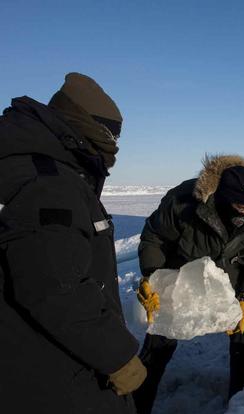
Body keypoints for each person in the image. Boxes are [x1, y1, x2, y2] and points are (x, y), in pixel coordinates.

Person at [0, 73, 146, 413]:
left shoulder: (23, 167)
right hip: (51, 371)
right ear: (89, 127)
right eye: (113, 134)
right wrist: (117, 356)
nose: (116, 146)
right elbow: (56, 287)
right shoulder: (49, 184)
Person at [133, 155, 244, 413]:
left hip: (232, 280)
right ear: (223, 197)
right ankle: (136, 405)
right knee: (160, 337)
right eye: (242, 206)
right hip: (182, 275)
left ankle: (242, 401)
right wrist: (152, 276)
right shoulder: (184, 202)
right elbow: (154, 237)